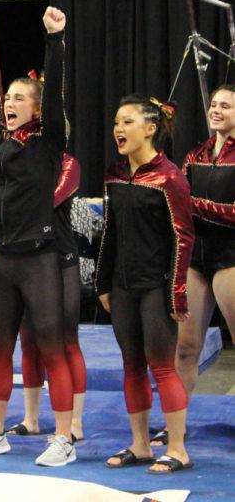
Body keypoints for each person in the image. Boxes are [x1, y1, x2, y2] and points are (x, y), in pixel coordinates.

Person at [0, 6, 76, 467]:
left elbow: (55, 93)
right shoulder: (5, 140)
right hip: (4, 259)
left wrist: (55, 40)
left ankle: (64, 438)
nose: (8, 102)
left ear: (37, 105)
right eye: (7, 98)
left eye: (18, 98)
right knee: (0, 348)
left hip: (41, 257)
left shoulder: (50, 139)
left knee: (51, 348)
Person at [97, 95, 194, 474]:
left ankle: (178, 448)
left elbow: (183, 239)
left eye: (127, 122)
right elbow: (110, 232)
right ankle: (140, 445)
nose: (118, 129)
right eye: (116, 123)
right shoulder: (115, 175)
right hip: (123, 286)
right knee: (131, 365)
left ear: (150, 129)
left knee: (162, 366)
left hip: (156, 286)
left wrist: (176, 290)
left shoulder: (169, 178)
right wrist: (103, 282)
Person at [149, 84, 235, 448]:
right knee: (185, 348)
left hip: (231, 256)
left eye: (226, 107)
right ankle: (176, 424)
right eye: (214, 104)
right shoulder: (196, 153)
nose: (216, 110)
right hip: (197, 258)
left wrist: (193, 203)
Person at [3, 152, 88, 443]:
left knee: (65, 339)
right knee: (29, 342)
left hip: (59, 259)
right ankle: (32, 418)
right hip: (26, 258)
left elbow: (47, 201)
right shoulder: (18, 158)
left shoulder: (67, 163)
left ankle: (74, 422)